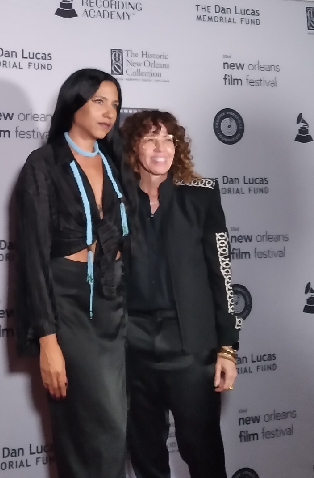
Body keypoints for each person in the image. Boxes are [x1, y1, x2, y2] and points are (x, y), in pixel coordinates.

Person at [15, 69, 130, 478]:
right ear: (74, 102)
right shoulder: (43, 164)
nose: (109, 112)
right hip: (69, 303)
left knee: (117, 428)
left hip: (115, 301)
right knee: (98, 427)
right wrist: (48, 341)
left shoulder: (116, 162)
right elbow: (33, 257)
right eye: (99, 101)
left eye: (115, 104)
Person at [121, 109, 239, 478]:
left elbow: (222, 274)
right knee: (146, 456)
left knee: (203, 454)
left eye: (169, 139)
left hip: (190, 347)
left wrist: (227, 347)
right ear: (133, 147)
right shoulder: (115, 200)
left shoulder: (201, 196)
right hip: (131, 346)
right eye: (150, 139)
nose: (162, 148)